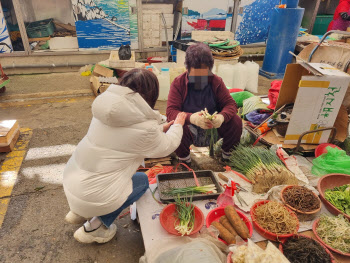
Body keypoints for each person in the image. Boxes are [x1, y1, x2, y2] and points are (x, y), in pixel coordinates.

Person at [63, 69, 186, 244]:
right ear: (150, 94)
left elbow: (127, 135)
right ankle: (95, 228)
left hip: (72, 182)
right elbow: (166, 146)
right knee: (141, 182)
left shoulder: (107, 108)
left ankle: (79, 212)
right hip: (94, 195)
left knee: (97, 179)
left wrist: (160, 129)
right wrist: (178, 126)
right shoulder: (144, 128)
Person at [166, 43, 242, 166]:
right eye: (196, 75)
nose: (200, 79)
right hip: (190, 129)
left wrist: (221, 117)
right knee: (174, 124)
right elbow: (170, 112)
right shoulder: (178, 83)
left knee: (236, 121)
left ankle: (227, 157)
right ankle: (184, 161)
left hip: (213, 127)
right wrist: (192, 118)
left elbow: (230, 104)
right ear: (188, 68)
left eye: (204, 75)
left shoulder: (216, 81)